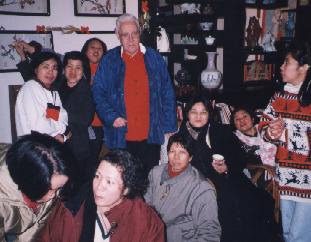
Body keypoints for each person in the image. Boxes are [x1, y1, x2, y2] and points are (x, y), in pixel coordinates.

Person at [177, 96, 276, 242]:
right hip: (198, 184)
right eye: (194, 112)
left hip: (230, 177)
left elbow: (240, 157)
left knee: (253, 201)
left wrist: (227, 166)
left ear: (209, 114)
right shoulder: (180, 137)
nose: (198, 116)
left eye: (203, 112)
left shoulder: (221, 131)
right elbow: (177, 166)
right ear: (187, 114)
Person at [92, 13, 177, 175]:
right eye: (125, 35)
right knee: (124, 182)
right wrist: (111, 116)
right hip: (121, 135)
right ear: (118, 36)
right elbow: (98, 92)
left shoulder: (154, 58)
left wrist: (169, 124)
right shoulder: (109, 60)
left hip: (150, 133)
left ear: (140, 33)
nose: (131, 39)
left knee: (147, 180)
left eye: (134, 33)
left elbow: (167, 92)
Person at [36, 149, 165, 242]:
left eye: (109, 181)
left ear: (126, 189)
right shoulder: (71, 207)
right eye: (97, 176)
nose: (99, 186)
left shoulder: (147, 221)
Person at [258, 40, 311, 242]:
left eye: (286, 62)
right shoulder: (279, 95)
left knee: (300, 235)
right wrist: (271, 132)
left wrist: (288, 134)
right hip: (286, 174)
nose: (281, 67)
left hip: (308, 179)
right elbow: (263, 123)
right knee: (288, 233)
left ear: (304, 67)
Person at [145, 133, 221, 242]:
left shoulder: (201, 187)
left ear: (190, 157)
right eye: (172, 152)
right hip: (152, 234)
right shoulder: (155, 173)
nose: (176, 157)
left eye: (182, 152)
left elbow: (209, 233)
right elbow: (145, 207)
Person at [0, 132, 71, 242]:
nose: (55, 194)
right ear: (31, 184)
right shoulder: (3, 201)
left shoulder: (51, 174)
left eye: (60, 187)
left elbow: (40, 223)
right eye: (52, 189)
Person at [15, 51, 69, 143]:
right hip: (31, 147)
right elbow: (39, 126)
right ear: (36, 69)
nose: (50, 72)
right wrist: (61, 131)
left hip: (48, 144)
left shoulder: (53, 92)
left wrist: (60, 132)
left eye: (54, 68)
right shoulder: (31, 87)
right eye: (45, 67)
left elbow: (62, 117)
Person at [58, 51, 95, 182]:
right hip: (56, 144)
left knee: (74, 184)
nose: (73, 71)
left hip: (76, 145)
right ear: (63, 69)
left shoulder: (86, 91)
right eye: (69, 66)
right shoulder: (57, 85)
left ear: (83, 71)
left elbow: (85, 119)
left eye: (78, 67)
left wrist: (58, 114)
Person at [81, 37, 107, 160]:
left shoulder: (108, 70)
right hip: (83, 124)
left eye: (99, 49)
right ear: (85, 51)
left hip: (102, 123)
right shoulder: (78, 68)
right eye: (92, 48)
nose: (96, 51)